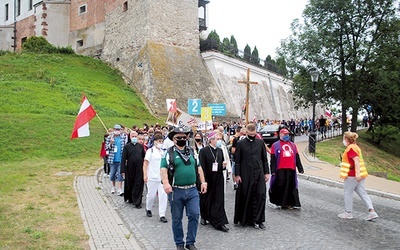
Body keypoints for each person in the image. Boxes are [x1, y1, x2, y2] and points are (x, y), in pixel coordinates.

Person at [160, 127, 207, 250]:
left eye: (184, 137)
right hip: (176, 190)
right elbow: (163, 169)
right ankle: (179, 243)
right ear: (173, 139)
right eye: (178, 137)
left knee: (194, 214)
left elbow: (199, 167)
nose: (182, 139)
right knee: (177, 218)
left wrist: (203, 182)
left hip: (192, 190)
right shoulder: (168, 153)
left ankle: (190, 242)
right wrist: (166, 183)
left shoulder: (192, 151)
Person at [233, 123, 269, 230]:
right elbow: (237, 161)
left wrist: (266, 172)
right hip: (245, 173)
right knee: (246, 195)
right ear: (246, 132)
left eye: (254, 133)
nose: (252, 135)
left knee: (261, 195)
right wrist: (237, 174)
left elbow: (264, 159)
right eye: (251, 133)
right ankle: (246, 219)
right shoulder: (241, 143)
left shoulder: (260, 143)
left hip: (259, 173)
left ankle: (259, 220)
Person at [338, 131, 378, 221]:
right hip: (359, 174)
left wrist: (357, 174)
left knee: (347, 193)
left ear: (347, 139)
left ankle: (348, 213)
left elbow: (356, 160)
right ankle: (372, 212)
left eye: (344, 138)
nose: (343, 140)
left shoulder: (351, 148)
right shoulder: (355, 147)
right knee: (363, 193)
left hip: (353, 175)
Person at [198, 131, 229, 232]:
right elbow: (201, 167)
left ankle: (219, 221)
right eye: (217, 139)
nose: (219, 141)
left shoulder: (220, 151)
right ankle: (204, 216)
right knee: (206, 198)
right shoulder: (204, 151)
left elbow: (221, 164)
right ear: (211, 140)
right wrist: (203, 181)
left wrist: (223, 166)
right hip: (207, 178)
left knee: (218, 199)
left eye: (220, 139)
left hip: (218, 178)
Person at [269, 128, 304, 209]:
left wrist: (300, 168)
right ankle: (282, 203)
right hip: (280, 169)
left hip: (291, 169)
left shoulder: (293, 145)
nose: (287, 136)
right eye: (285, 134)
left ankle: (291, 203)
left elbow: (297, 157)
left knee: (291, 187)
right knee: (281, 186)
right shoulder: (275, 145)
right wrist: (273, 170)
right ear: (280, 135)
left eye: (287, 134)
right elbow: (273, 160)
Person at [143, 134, 168, 222]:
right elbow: (146, 163)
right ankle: (148, 208)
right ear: (155, 142)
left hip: (162, 178)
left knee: (163, 196)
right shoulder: (150, 151)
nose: (160, 143)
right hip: (152, 177)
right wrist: (145, 175)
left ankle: (162, 214)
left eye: (162, 141)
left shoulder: (164, 152)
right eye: (159, 141)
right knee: (151, 195)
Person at [121, 131, 146, 208]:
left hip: (139, 168)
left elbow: (144, 157)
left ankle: (137, 201)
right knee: (130, 183)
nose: (134, 138)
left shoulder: (140, 146)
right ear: (130, 137)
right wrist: (122, 170)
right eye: (133, 136)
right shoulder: (126, 147)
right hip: (130, 168)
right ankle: (131, 197)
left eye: (136, 136)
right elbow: (123, 159)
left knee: (138, 184)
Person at [106, 124, 127, 195]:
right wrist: (111, 143)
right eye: (116, 129)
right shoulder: (109, 138)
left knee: (120, 174)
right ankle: (113, 186)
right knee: (112, 174)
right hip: (112, 159)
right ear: (113, 129)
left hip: (120, 160)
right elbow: (106, 148)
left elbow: (125, 147)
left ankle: (120, 188)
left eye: (118, 130)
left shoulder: (123, 138)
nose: (117, 131)